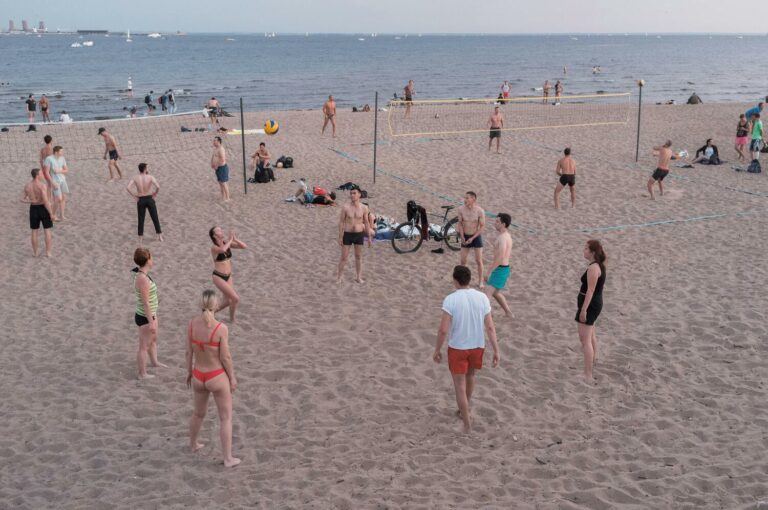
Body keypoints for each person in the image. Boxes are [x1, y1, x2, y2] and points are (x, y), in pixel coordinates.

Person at [433, 265, 500, 434]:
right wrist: (496, 350)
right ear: (469, 279)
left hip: (458, 348)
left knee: (459, 385)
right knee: (470, 377)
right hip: (477, 346)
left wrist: (437, 349)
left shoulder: (451, 299)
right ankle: (464, 409)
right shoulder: (482, 298)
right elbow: (490, 327)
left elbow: (443, 330)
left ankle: (467, 424)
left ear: (455, 281)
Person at [186, 290, 240, 468]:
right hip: (216, 376)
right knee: (225, 418)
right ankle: (228, 458)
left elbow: (189, 352)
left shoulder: (192, 324)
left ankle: (193, 444)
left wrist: (188, 372)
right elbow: (225, 358)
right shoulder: (220, 328)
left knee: (198, 413)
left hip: (198, 375)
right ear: (216, 306)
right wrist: (232, 377)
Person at [132, 247, 166, 379]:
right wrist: (151, 322)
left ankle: (155, 362)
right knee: (144, 346)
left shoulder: (143, 274)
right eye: (151, 257)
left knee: (153, 340)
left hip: (150, 314)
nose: (153, 259)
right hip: (145, 316)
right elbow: (145, 303)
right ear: (147, 260)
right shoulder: (142, 279)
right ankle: (142, 373)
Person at [575, 240, 606, 381]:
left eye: (586, 248)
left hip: (590, 304)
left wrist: (583, 310)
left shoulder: (594, 268)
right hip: (594, 303)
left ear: (593, 252)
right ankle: (594, 361)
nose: (584, 250)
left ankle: (588, 374)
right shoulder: (598, 266)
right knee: (591, 335)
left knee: (584, 340)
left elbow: (591, 290)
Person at [209, 226, 247, 322]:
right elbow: (222, 250)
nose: (221, 230)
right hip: (218, 276)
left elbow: (244, 246)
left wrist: (235, 239)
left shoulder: (227, 243)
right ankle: (232, 319)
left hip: (228, 276)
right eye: (218, 230)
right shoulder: (214, 247)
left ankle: (211, 313)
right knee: (235, 298)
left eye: (220, 229)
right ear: (214, 235)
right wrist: (230, 240)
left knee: (228, 301)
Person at [336, 188, 372, 284]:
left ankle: (358, 277)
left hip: (359, 234)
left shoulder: (364, 207)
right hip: (347, 234)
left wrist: (369, 237)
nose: (352, 195)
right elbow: (341, 222)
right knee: (344, 257)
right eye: (351, 193)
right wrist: (340, 236)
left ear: (359, 195)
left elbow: (367, 222)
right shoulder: (346, 207)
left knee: (358, 256)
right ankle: (339, 278)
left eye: (354, 193)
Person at [484, 214, 513, 318]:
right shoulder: (506, 236)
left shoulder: (503, 238)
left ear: (503, 224)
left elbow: (500, 257)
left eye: (497, 222)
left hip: (500, 269)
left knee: (487, 294)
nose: (495, 223)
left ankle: (487, 317)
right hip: (503, 269)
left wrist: (489, 271)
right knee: (495, 293)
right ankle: (508, 312)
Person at [126, 163, 163, 243]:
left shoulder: (135, 177)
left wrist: (134, 196)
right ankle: (159, 236)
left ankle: (140, 238)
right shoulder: (150, 177)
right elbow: (158, 187)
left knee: (141, 219)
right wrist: (155, 194)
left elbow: (128, 187)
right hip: (149, 198)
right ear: (145, 169)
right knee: (155, 217)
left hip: (141, 199)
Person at [21, 168, 53, 257]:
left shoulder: (27, 186)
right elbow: (46, 201)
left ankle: (35, 253)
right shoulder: (42, 186)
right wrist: (51, 213)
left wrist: (31, 201)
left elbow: (21, 199)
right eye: (41, 174)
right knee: (47, 230)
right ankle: (48, 252)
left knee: (34, 231)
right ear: (37, 176)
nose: (43, 175)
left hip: (33, 209)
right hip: (43, 208)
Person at [457, 191, 485, 288]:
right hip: (465, 235)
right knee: (463, 260)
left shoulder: (480, 211)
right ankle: (462, 281)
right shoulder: (461, 209)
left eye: (467, 198)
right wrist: (462, 236)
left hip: (476, 236)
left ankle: (480, 281)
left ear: (473, 199)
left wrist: (473, 238)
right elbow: (460, 224)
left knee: (478, 260)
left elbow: (482, 227)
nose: (465, 200)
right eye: (465, 198)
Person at [43, 146, 70, 221]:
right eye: (61, 151)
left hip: (63, 180)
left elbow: (66, 170)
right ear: (56, 152)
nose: (62, 153)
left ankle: (62, 215)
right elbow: (46, 172)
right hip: (55, 181)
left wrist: (59, 171)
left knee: (63, 198)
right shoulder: (49, 159)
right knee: (58, 199)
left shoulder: (62, 158)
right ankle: (53, 215)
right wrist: (52, 182)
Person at [211, 136, 230, 201]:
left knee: (224, 183)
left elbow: (222, 159)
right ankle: (223, 197)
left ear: (218, 141)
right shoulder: (216, 148)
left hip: (222, 168)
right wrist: (212, 163)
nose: (213, 142)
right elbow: (213, 156)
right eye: (213, 141)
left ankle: (227, 198)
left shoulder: (221, 149)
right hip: (218, 168)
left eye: (214, 141)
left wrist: (216, 165)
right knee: (220, 183)